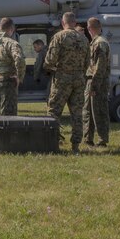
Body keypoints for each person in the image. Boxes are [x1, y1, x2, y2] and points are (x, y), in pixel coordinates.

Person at [44, 11, 90, 153]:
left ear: (63, 23)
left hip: (62, 79)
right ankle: (75, 146)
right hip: (79, 80)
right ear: (75, 23)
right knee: (77, 113)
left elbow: (49, 60)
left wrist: (50, 67)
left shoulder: (59, 37)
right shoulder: (84, 39)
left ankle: (54, 142)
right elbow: (87, 63)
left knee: (54, 111)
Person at [82, 17, 111, 147]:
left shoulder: (100, 43)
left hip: (97, 82)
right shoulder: (96, 42)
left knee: (99, 111)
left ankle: (102, 140)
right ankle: (88, 138)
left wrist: (94, 86)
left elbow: (100, 68)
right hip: (93, 81)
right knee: (88, 111)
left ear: (89, 29)